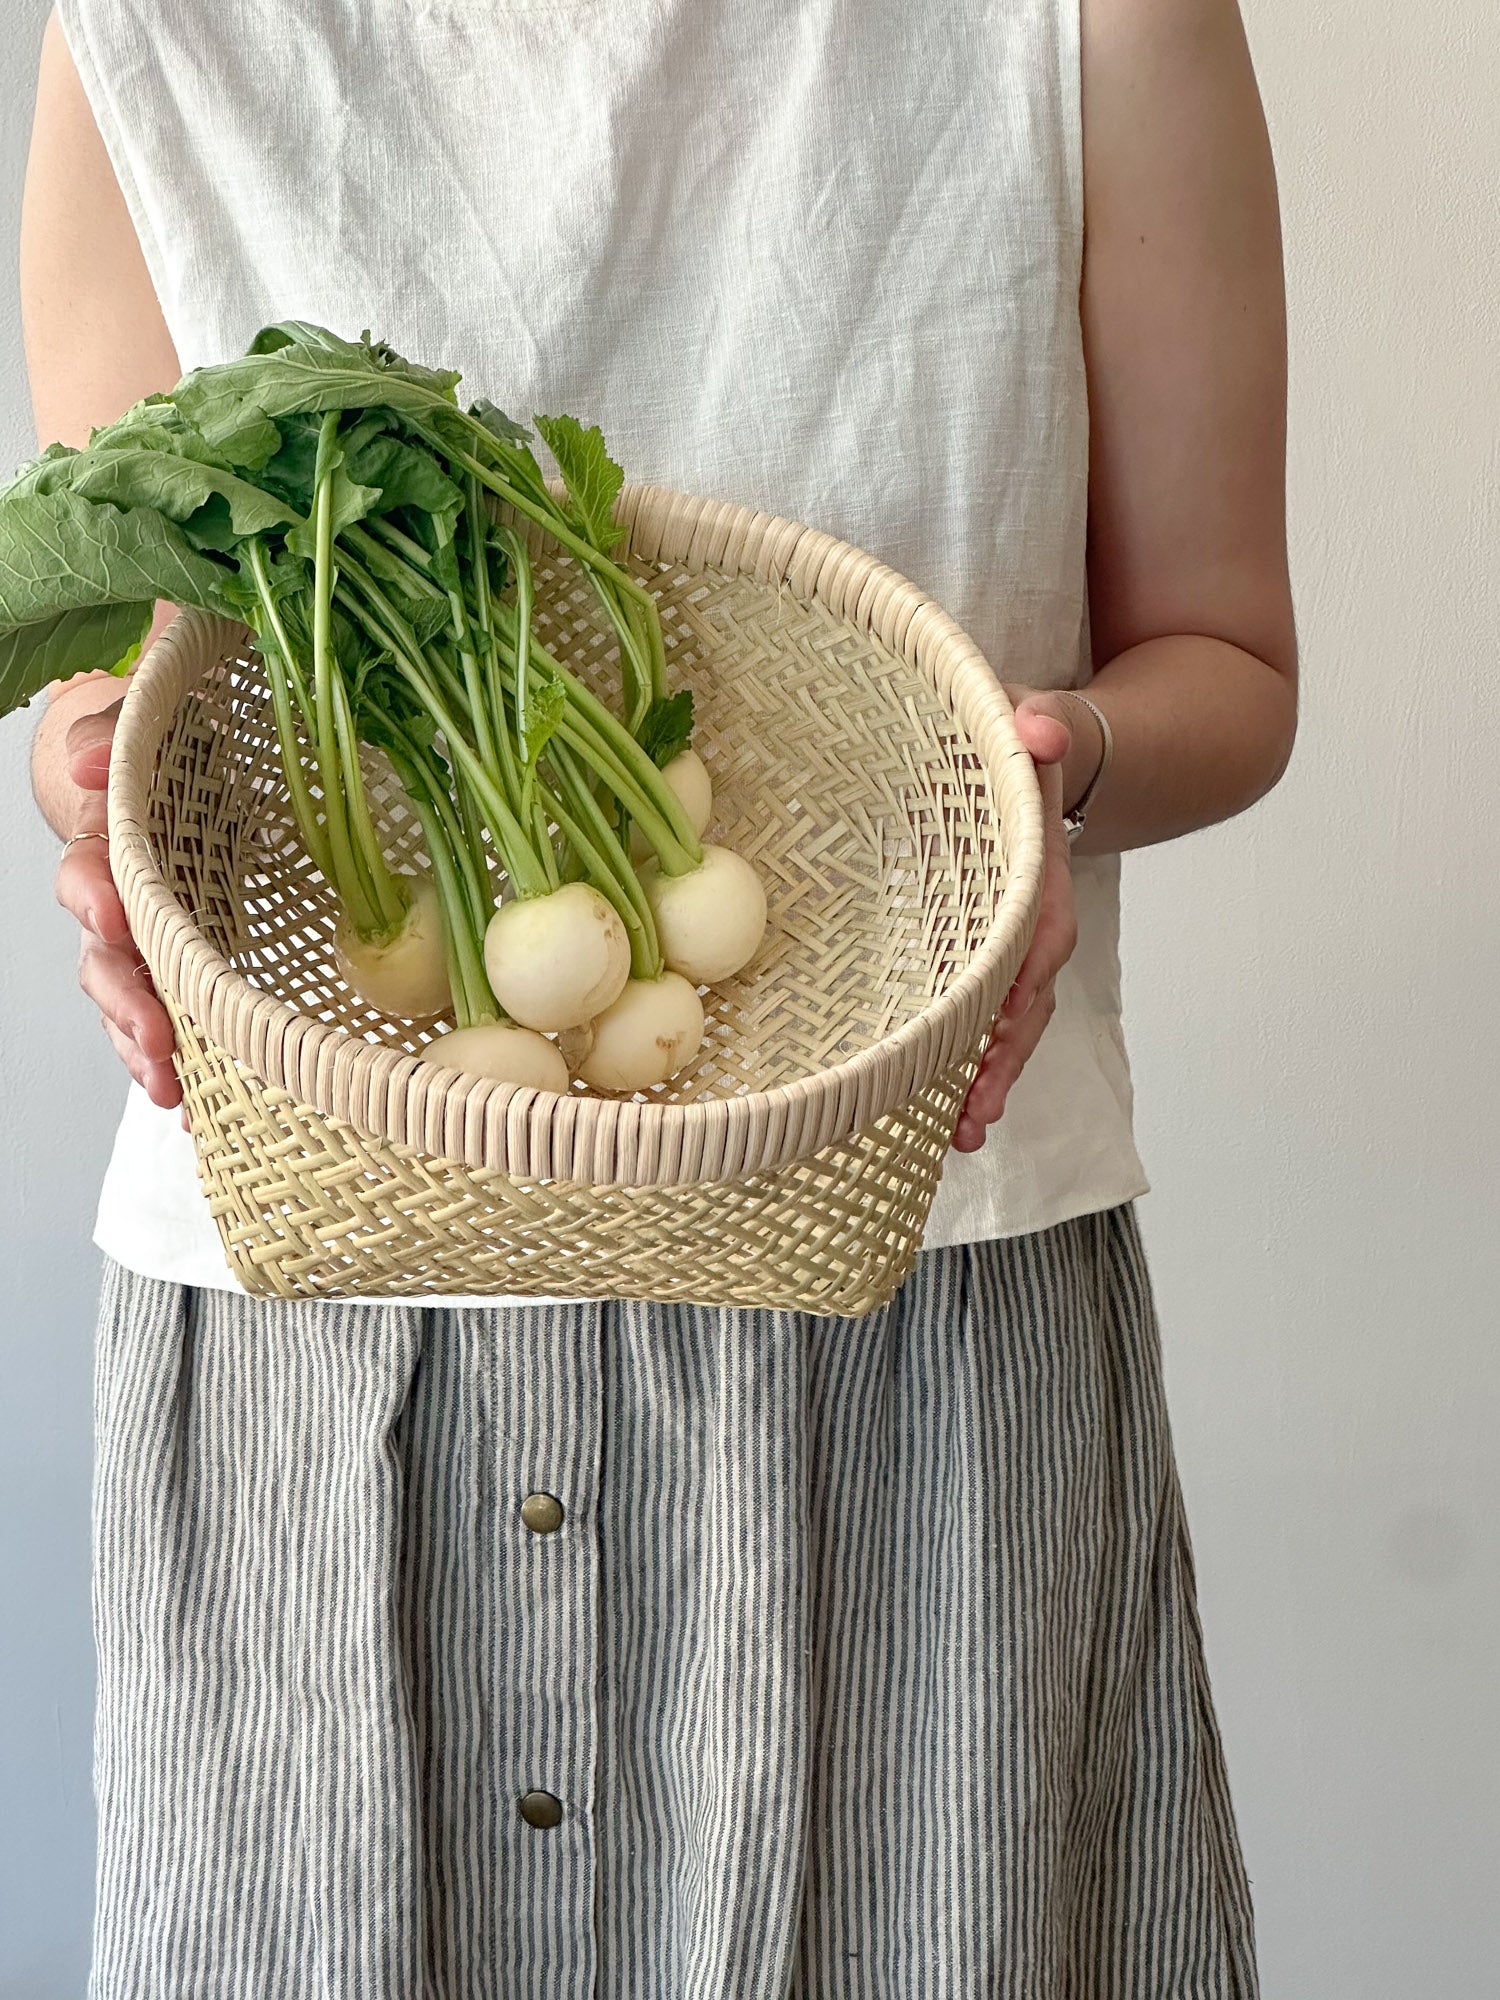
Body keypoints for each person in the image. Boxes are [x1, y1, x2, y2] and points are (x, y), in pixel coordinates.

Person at [21, 0, 1296, 1993]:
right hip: (322, 1311)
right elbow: (133, 649)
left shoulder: (1092, 22)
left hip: (910, 1289)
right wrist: (96, 795)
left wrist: (1052, 769)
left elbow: (1225, 659)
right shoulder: (156, 31)